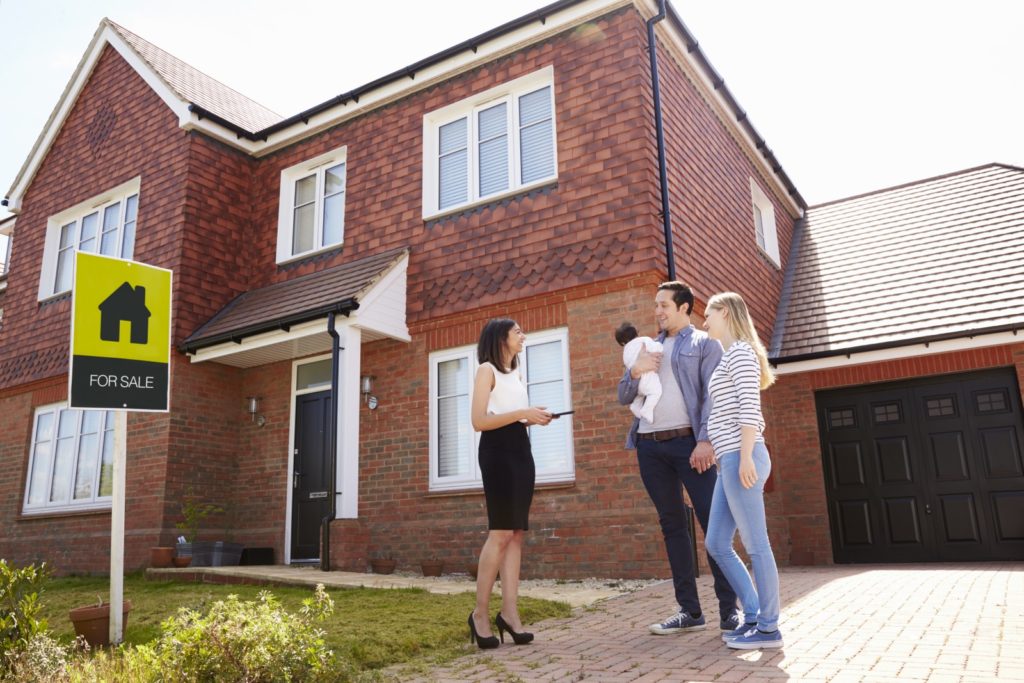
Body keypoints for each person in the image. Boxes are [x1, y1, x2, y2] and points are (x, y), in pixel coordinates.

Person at [618, 281, 741, 636]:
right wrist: (635, 369)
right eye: (656, 305)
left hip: (690, 444)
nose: (657, 311)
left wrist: (706, 441)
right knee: (672, 525)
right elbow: (624, 395)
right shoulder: (647, 346)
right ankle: (689, 610)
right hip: (649, 446)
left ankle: (728, 610)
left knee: (713, 523)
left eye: (664, 305)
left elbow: (713, 396)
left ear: (685, 308)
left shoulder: (705, 344)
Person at [702, 292, 783, 650]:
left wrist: (747, 456)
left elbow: (750, 409)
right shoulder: (727, 356)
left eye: (708, 314)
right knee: (717, 542)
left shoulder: (742, 353)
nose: (703, 321)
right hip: (729, 461)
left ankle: (769, 628)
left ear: (724, 312)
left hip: (742, 456)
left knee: (756, 544)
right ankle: (752, 614)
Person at [468, 319, 553, 649]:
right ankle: (480, 615)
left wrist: (532, 416)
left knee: (516, 533)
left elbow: (513, 413)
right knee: (500, 532)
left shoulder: (515, 373)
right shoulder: (485, 370)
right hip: (497, 451)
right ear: (500, 337)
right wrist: (522, 412)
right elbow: (479, 421)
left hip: (520, 447)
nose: (523, 336)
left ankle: (510, 615)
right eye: (517, 331)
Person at [615, 322, 664, 423]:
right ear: (637, 333)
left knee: (640, 394)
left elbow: (628, 365)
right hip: (648, 376)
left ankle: (636, 406)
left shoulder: (625, 351)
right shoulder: (643, 341)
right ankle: (647, 410)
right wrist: (659, 346)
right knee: (655, 392)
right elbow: (656, 349)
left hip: (637, 381)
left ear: (622, 343)